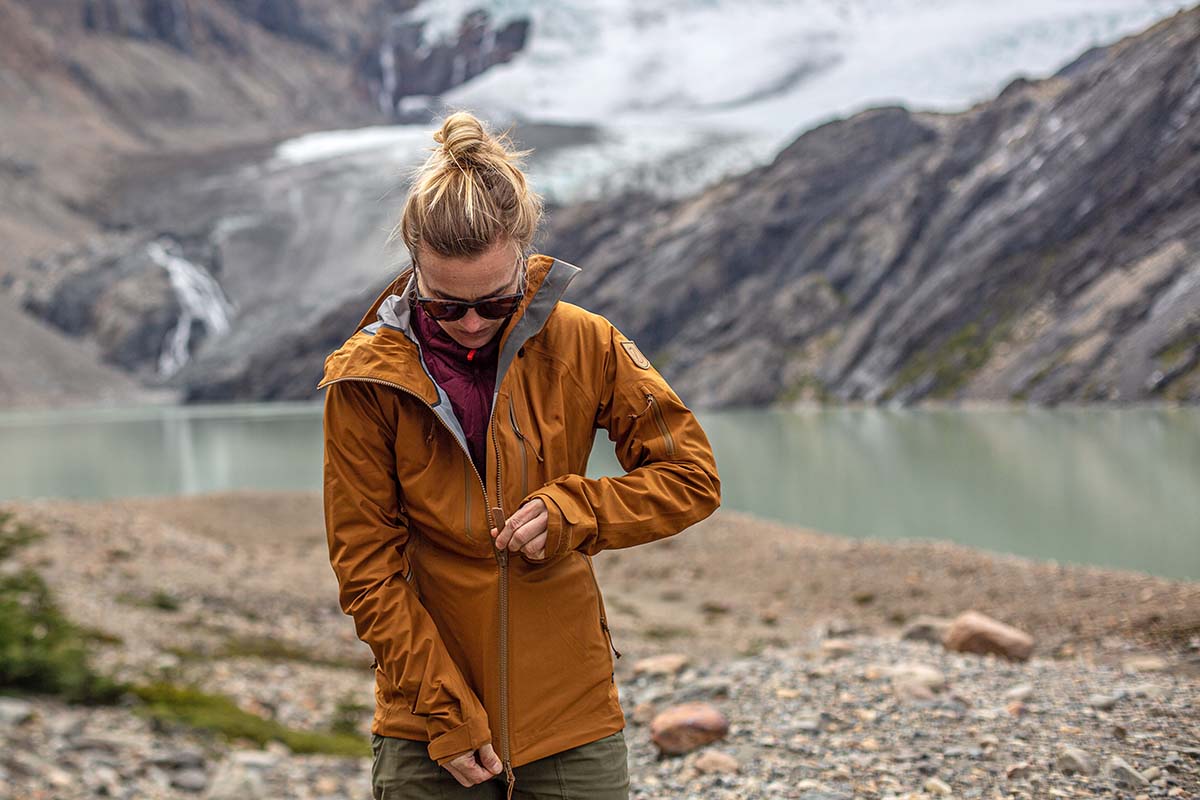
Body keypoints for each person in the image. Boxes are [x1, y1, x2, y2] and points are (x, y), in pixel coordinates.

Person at [318, 110, 721, 800]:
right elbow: (366, 570)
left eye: (496, 302)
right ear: (414, 267)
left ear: (526, 259)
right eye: (446, 306)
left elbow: (691, 477)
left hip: (572, 720)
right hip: (426, 728)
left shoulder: (587, 343)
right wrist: (445, 714)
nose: (472, 324)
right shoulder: (364, 377)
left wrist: (577, 508)